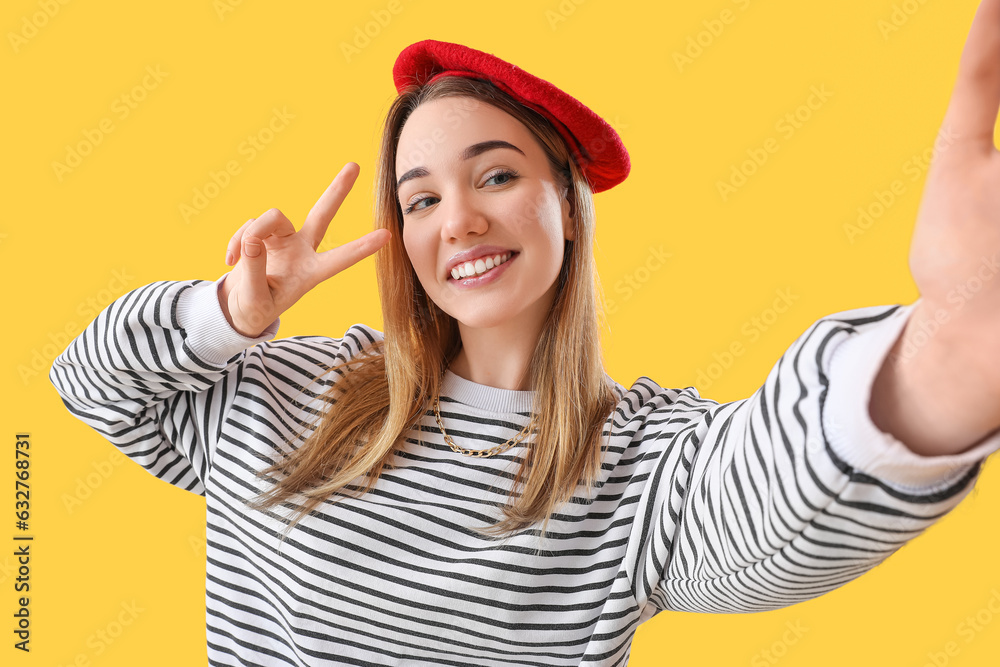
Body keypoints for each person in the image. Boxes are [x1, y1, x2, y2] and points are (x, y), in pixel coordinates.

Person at [49, 7, 1000, 665]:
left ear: (570, 208)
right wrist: (229, 315)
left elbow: (767, 507)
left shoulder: (637, 462)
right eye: (419, 198)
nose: (455, 220)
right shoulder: (286, 390)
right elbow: (89, 382)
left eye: (495, 176)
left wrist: (954, 345)